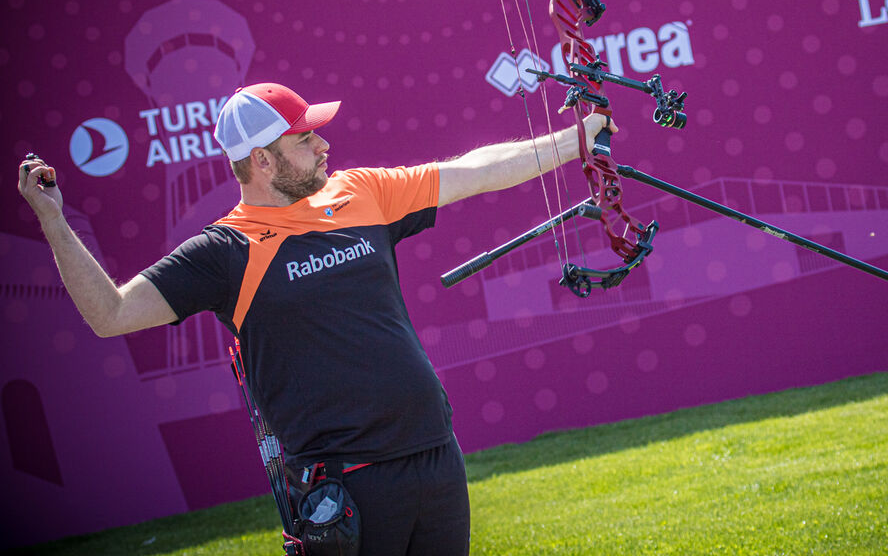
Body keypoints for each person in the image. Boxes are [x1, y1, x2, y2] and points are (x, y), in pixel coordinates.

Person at [18, 81, 614, 556]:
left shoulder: (362, 192)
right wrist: (52, 219)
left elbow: (478, 171)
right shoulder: (225, 251)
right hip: (346, 486)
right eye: (305, 140)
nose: (323, 145)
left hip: (435, 456)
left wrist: (577, 140)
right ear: (263, 162)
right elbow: (111, 314)